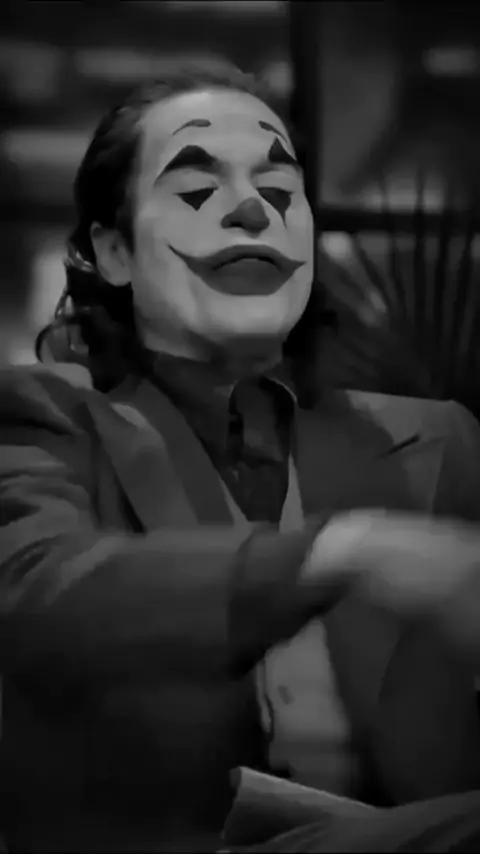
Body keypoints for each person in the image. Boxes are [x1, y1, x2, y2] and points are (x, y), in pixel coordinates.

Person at [0, 58, 480, 853]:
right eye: (197, 189)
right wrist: (349, 552)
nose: (255, 208)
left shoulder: (441, 442)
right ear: (114, 252)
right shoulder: (43, 420)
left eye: (281, 188)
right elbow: (35, 595)